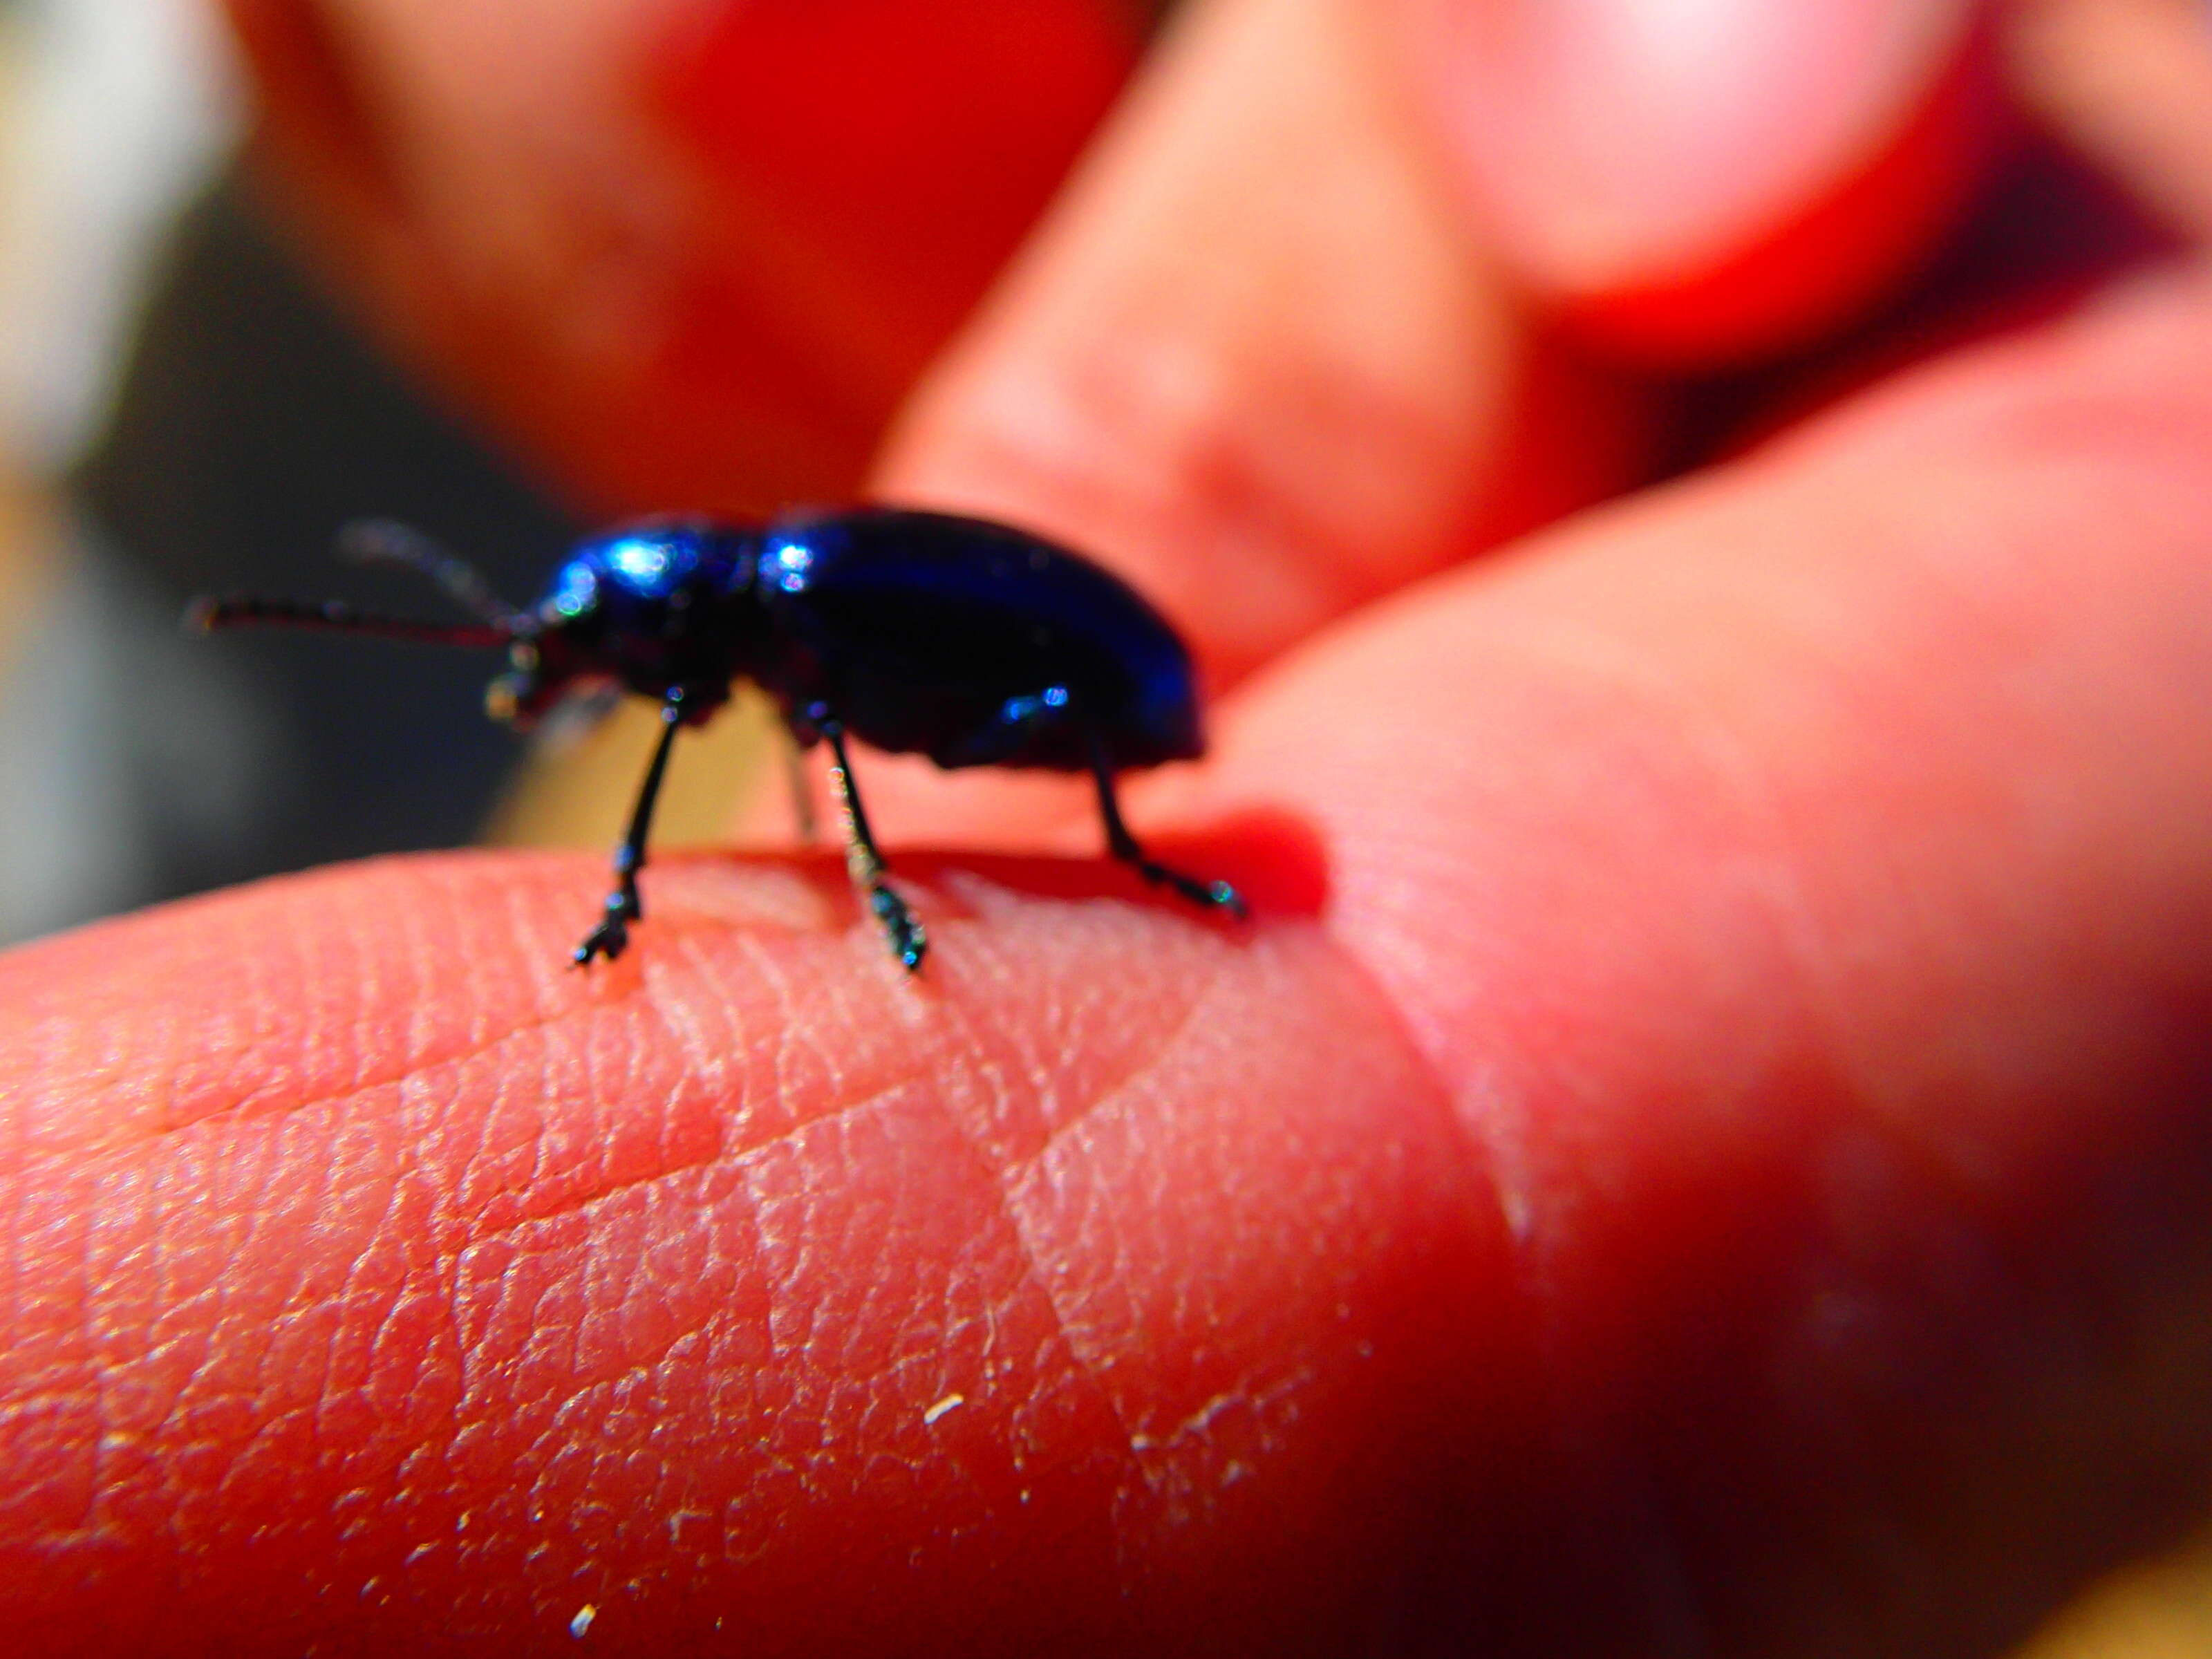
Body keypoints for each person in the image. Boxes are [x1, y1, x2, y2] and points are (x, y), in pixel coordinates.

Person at [6, 0, 2212, 1651]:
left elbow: (849, 723)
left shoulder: (779, 608)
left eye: (579, 651)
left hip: (1103, 671)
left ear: (646, 617)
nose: (563, 679)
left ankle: (1129, 854)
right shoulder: (738, 624)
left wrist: (785, 879)